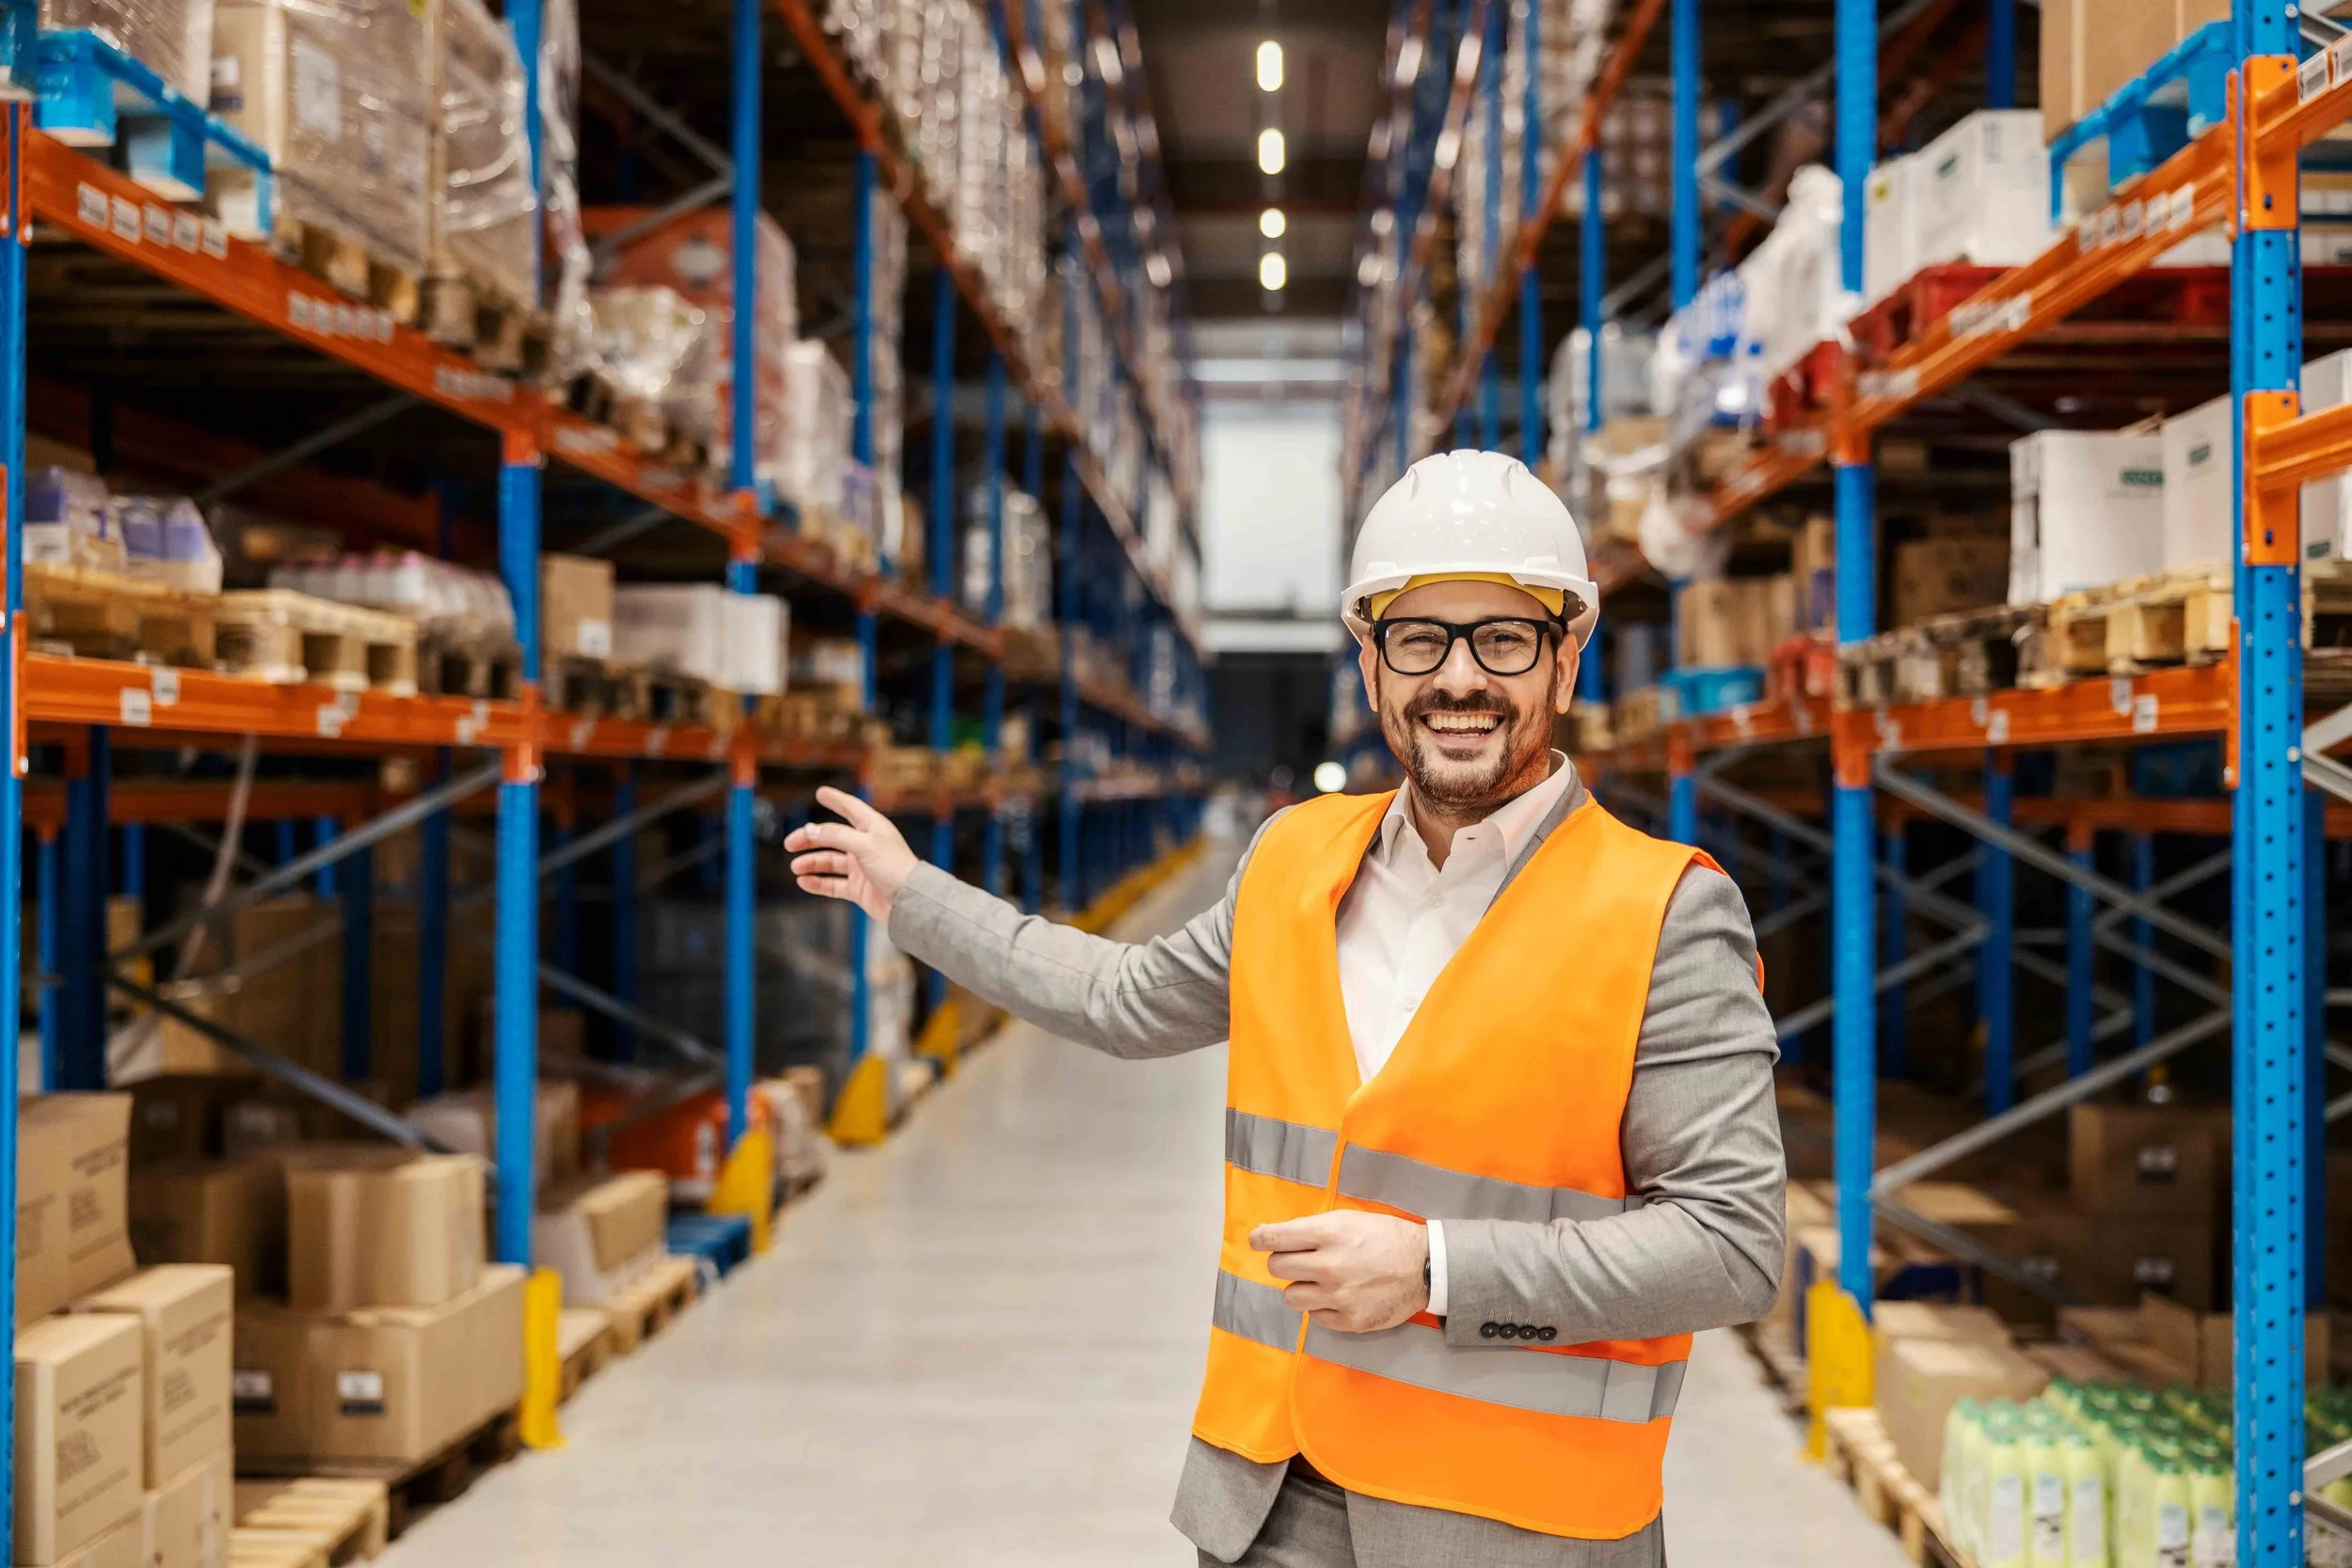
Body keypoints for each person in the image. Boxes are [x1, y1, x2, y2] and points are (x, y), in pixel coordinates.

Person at [784, 449, 1787, 1567]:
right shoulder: (1294, 859)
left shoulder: (1666, 909)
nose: (1459, 678)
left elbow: (1731, 1243)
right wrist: (913, 895)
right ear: (1370, 663)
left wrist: (1433, 1271)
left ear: (1566, 660)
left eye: (1502, 638)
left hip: (1514, 1523)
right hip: (1271, 1498)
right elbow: (1121, 997)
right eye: (1420, 637)